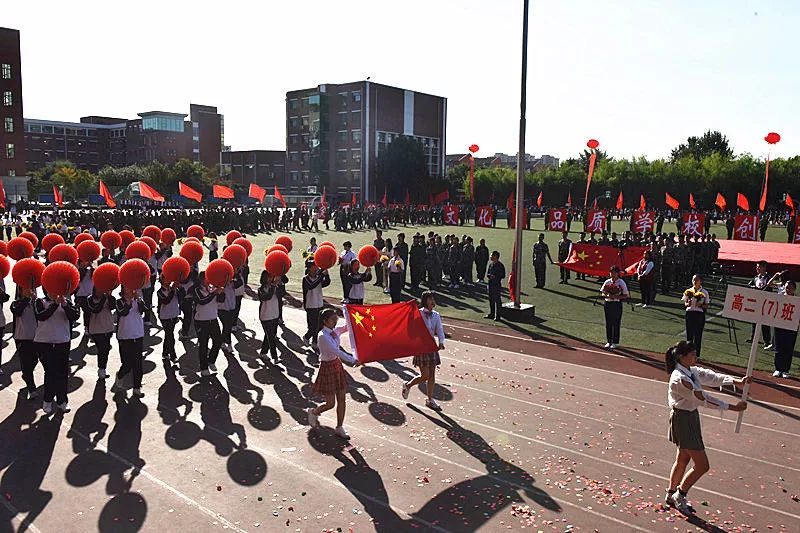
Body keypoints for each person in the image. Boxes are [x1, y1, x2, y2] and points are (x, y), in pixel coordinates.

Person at [664, 340, 748, 515]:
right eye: (692, 354)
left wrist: (736, 381)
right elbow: (703, 398)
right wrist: (732, 407)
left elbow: (711, 376)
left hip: (688, 417)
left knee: (683, 460)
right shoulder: (681, 379)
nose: (696, 357)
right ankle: (681, 494)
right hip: (684, 419)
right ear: (681, 357)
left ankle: (671, 494)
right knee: (702, 465)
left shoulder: (691, 371)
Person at [306, 308, 358, 440]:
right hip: (327, 367)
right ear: (325, 321)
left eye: (336, 318)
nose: (336, 321)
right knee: (330, 403)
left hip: (336, 365)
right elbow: (336, 351)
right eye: (333, 319)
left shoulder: (334, 331)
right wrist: (353, 360)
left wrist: (349, 312)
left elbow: (347, 327)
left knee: (342, 398)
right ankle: (314, 411)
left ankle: (339, 427)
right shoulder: (323, 336)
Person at [34, 290, 80, 413]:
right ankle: (48, 400)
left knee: (63, 373)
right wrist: (54, 304)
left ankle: (62, 401)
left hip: (62, 342)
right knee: (50, 372)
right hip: (44, 342)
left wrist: (64, 305)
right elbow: (41, 316)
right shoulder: (40, 301)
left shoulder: (67, 302)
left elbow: (75, 316)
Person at [402, 291, 446, 410]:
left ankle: (430, 400)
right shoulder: (418, 313)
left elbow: (440, 329)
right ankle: (408, 385)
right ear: (425, 300)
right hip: (421, 347)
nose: (432, 301)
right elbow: (411, 329)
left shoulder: (436, 315)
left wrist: (441, 342)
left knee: (432, 375)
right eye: (430, 299)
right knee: (425, 375)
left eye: (433, 299)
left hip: (431, 347)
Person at [112, 285, 147, 398]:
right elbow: (123, 312)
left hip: (138, 334)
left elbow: (144, 310)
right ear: (123, 290)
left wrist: (138, 299)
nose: (131, 289)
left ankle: (137, 387)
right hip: (125, 336)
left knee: (138, 364)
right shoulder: (119, 302)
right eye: (128, 288)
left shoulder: (138, 300)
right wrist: (129, 302)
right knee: (127, 364)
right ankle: (120, 377)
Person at [192, 271, 223, 376]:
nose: (209, 280)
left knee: (218, 341)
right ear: (201, 280)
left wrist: (221, 291)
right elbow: (202, 301)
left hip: (213, 319)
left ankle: (211, 361)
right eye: (206, 278)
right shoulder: (196, 290)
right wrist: (214, 293)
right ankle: (203, 367)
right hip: (201, 321)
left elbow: (221, 300)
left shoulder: (212, 288)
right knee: (203, 345)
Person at [11, 286, 39, 399]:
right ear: (20, 291)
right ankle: (31, 387)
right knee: (26, 363)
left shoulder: (37, 303)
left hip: (36, 337)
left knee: (34, 361)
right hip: (21, 338)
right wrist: (27, 299)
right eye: (26, 290)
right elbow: (17, 311)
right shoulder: (15, 303)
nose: (30, 291)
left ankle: (26, 376)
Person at [87, 287, 116, 378]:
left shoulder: (108, 297)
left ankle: (103, 368)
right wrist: (104, 298)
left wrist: (110, 297)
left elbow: (112, 307)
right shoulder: (90, 299)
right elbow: (96, 309)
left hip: (107, 327)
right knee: (102, 348)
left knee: (106, 349)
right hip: (96, 329)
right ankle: (101, 369)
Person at [302, 259, 330, 347]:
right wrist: (321, 275)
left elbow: (326, 283)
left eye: (316, 266)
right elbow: (312, 285)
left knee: (319, 325)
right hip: (310, 305)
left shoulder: (318, 277)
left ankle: (314, 342)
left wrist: (327, 274)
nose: (316, 268)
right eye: (314, 266)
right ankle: (306, 337)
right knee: (312, 326)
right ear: (310, 268)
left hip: (319, 304)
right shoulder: (306, 279)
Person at [773, 279, 797, 378]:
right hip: (779, 325)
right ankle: (778, 369)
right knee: (778, 347)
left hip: (792, 327)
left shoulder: (797, 301)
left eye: (790, 288)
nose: (788, 290)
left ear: (794, 290)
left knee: (788, 348)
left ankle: (785, 370)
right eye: (786, 287)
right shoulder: (780, 298)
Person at [600, 265, 629, 349]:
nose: (612, 274)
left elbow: (625, 295)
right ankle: (609, 341)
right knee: (608, 323)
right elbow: (602, 292)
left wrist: (616, 297)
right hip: (608, 304)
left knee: (616, 323)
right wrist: (607, 295)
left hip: (616, 304)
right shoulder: (607, 282)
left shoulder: (621, 282)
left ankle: (615, 342)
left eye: (614, 273)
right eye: (611, 272)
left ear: (617, 273)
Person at [747, 260, 773, 349]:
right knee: (754, 321)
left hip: (765, 303)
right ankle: (753, 337)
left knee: (765, 322)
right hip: (756, 302)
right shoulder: (756, 278)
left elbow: (769, 289)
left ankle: (767, 341)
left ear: (764, 267)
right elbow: (749, 285)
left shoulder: (768, 278)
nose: (757, 268)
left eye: (759, 267)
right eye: (757, 266)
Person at [683, 274, 709, 358]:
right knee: (689, 334)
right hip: (689, 313)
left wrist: (700, 305)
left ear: (700, 281)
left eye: (696, 280)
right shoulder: (688, 291)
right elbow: (685, 303)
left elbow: (707, 305)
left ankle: (697, 355)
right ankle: (688, 353)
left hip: (699, 314)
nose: (694, 282)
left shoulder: (704, 292)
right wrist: (688, 303)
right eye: (693, 280)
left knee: (698, 335)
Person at [258, 270, 281, 362]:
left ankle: (263, 353)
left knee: (269, 335)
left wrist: (279, 282)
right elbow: (267, 297)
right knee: (271, 337)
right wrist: (274, 286)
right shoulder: (261, 289)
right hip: (265, 316)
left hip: (274, 315)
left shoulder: (275, 287)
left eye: (271, 277)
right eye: (268, 277)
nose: (270, 279)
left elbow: (281, 295)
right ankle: (275, 357)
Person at [157, 278, 181, 366]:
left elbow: (181, 297)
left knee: (168, 335)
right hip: (165, 316)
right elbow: (166, 301)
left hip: (174, 315)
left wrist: (179, 287)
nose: (169, 281)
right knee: (170, 335)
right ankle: (173, 355)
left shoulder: (173, 289)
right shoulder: (159, 292)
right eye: (166, 279)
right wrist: (173, 290)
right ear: (162, 280)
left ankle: (165, 352)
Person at [485, 251, 505, 321]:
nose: (490, 257)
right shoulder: (491, 265)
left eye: (492, 255)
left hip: (496, 285)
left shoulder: (500, 265)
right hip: (490, 284)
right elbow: (487, 273)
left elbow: (503, 275)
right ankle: (492, 313)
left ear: (495, 256)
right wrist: (489, 276)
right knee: (491, 300)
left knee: (497, 300)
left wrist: (495, 276)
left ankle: (498, 315)